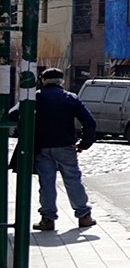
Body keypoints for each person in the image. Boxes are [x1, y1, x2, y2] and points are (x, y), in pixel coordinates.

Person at [28, 67, 97, 231]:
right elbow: (90, 122)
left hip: (43, 147)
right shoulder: (70, 98)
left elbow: (15, 115)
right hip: (66, 146)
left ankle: (48, 219)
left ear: (43, 80)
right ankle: (84, 215)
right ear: (61, 81)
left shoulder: (36, 97)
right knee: (73, 180)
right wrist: (83, 144)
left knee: (47, 183)